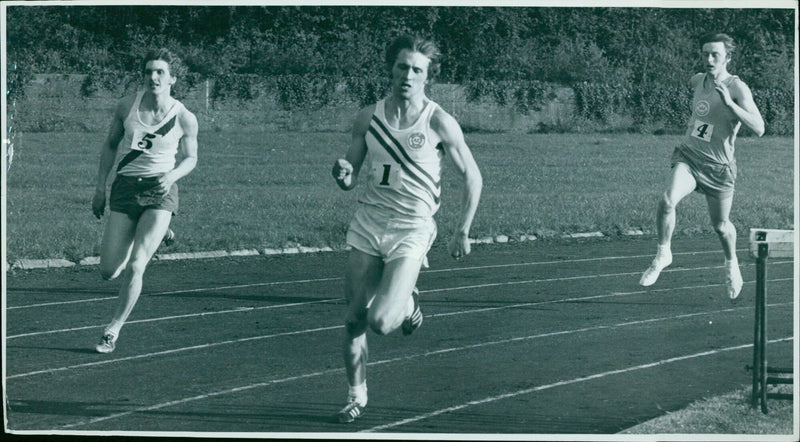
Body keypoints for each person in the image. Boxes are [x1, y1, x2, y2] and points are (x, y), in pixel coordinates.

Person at [330, 34, 482, 423]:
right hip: (368, 223)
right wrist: (343, 174)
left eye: (417, 70)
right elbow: (350, 176)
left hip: (411, 228)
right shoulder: (369, 116)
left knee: (381, 322)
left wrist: (463, 228)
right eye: (402, 67)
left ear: (427, 76)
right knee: (353, 319)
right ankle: (356, 395)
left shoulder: (438, 121)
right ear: (390, 69)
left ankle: (409, 303)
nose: (408, 76)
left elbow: (473, 177)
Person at [639, 33, 765, 299]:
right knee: (667, 201)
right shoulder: (698, 80)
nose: (708, 59)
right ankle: (663, 254)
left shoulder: (737, 88)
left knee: (720, 225)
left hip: (719, 168)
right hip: (690, 157)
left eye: (715, 54)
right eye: (705, 53)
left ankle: (732, 265)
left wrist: (730, 105)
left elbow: (760, 128)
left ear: (728, 58)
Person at [91, 48, 199, 353]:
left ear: (172, 78)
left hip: (160, 191)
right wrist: (100, 189)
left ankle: (112, 330)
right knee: (109, 270)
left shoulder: (184, 117)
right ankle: (158, 230)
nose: (153, 77)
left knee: (136, 266)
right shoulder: (127, 106)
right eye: (149, 71)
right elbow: (110, 146)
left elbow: (191, 158)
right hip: (125, 188)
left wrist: (173, 175)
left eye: (160, 72)